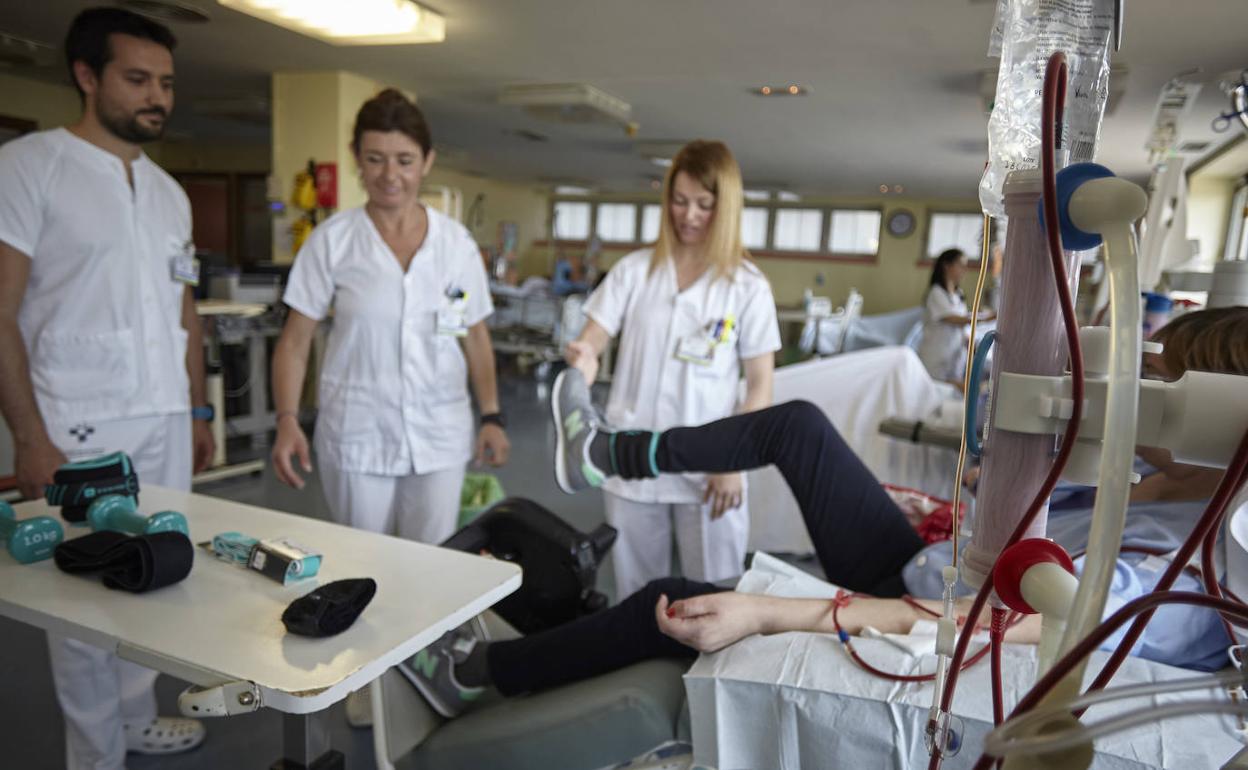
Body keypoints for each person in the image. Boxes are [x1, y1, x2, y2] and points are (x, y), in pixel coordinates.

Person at [403, 306, 1247, 718]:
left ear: (1217, 416)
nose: (1140, 403)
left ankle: (477, 679)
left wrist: (772, 611)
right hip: (924, 562)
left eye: (1163, 384)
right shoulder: (1149, 474)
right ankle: (606, 453)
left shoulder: (1200, 566)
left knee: (669, 599)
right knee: (801, 428)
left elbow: (994, 623)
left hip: (915, 607)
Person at [0, 8, 215, 768]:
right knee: (87, 593)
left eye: (164, 82)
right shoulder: (29, 168)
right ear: (86, 77)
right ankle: (93, 756)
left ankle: (132, 717)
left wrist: (197, 405)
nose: (157, 96)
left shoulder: (168, 194)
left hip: (163, 411)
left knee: (158, 569)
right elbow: (1, 312)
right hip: (79, 420)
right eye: (137, 79)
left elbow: (182, 308)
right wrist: (30, 437)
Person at [271, 89, 509, 544]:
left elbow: (475, 336)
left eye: (404, 160)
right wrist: (286, 420)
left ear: (427, 161)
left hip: (441, 433)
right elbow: (295, 342)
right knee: (361, 565)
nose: (390, 175)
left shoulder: (455, 245)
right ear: (356, 158)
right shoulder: (332, 242)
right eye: (375, 158)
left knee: (434, 564)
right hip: (358, 434)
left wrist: (493, 416)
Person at [565, 140, 781, 597]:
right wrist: (583, 356)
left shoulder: (746, 286)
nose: (690, 215)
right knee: (637, 596)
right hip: (631, 458)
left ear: (726, 207)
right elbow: (594, 337)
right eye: (680, 201)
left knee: (715, 596)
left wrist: (732, 462)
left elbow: (760, 385)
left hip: (709, 467)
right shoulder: (635, 270)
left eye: (705, 204)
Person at [917, 248, 995, 385]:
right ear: (946, 266)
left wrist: (972, 344)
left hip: (954, 357)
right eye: (960, 265)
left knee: (953, 397)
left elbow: (962, 323)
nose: (965, 270)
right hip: (936, 357)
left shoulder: (958, 294)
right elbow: (953, 319)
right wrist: (984, 318)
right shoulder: (936, 293)